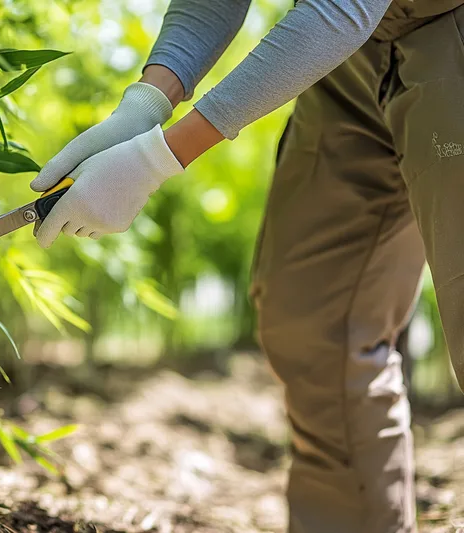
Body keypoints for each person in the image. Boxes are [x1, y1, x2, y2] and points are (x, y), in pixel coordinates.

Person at [30, 0, 464, 531]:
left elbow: (343, 6)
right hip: (347, 58)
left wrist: (155, 159)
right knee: (315, 319)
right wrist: (144, 106)